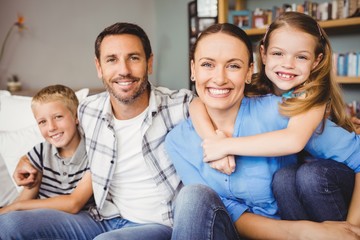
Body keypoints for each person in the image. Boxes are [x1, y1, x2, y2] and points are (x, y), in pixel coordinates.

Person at [165, 22, 360, 239]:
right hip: (230, 232)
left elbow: (356, 154)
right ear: (193, 70)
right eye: (207, 65)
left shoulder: (282, 112)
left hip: (293, 225)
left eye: (233, 66)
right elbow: (222, 210)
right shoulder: (177, 141)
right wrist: (302, 232)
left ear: (249, 72)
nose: (219, 78)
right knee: (192, 196)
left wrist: (350, 228)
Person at [2, 22, 195, 240]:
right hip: (104, 218)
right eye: (112, 59)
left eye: (134, 58)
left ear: (149, 63)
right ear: (99, 67)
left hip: (158, 225)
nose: (123, 70)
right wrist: (26, 158)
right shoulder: (88, 110)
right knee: (8, 225)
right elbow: (60, 137)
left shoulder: (181, 105)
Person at [0, 84, 92, 215]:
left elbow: (74, 204)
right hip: (38, 217)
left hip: (79, 220)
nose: (51, 127)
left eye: (58, 117)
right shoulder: (41, 152)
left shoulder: (93, 152)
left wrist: (19, 206)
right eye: (43, 122)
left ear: (76, 116)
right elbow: (25, 198)